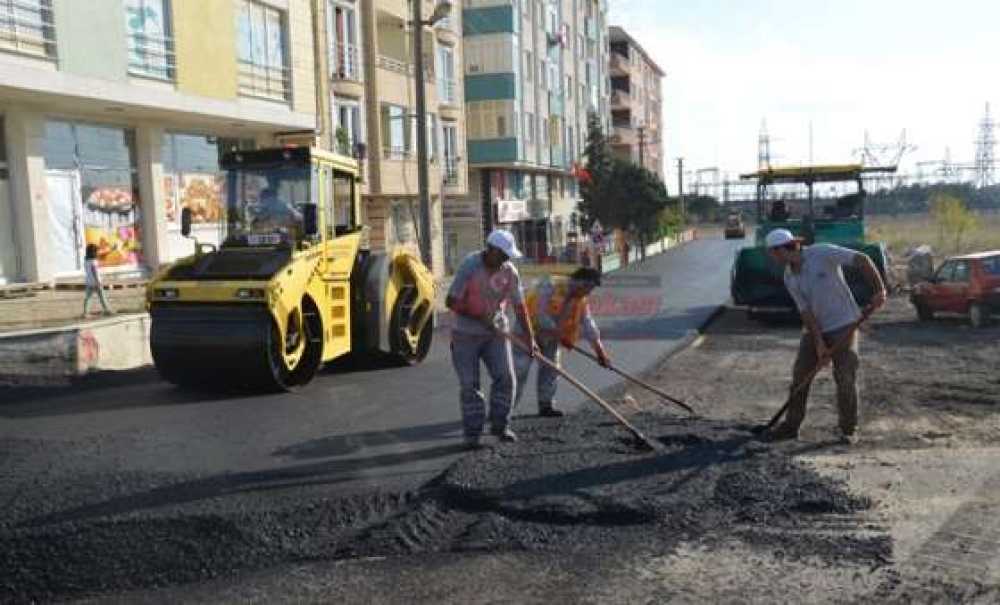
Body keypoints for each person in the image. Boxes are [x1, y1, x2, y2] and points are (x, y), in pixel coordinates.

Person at [764, 228, 887, 445]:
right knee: (800, 376)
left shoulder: (822, 253)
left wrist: (879, 290)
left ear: (783, 249)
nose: (773, 257)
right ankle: (791, 426)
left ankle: (848, 430)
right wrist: (819, 343)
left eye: (773, 253)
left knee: (845, 376)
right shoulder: (789, 276)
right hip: (816, 329)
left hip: (844, 324)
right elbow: (806, 312)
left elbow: (863, 260)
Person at [446, 229, 539, 448]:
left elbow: (520, 307)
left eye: (508, 256)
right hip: (465, 334)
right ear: (491, 250)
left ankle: (500, 425)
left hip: (496, 333)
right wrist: (479, 315)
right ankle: (472, 434)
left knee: (506, 378)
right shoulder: (470, 266)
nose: (506, 259)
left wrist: (530, 339)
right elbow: (451, 301)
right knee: (470, 385)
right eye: (503, 255)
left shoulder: (509, 272)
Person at [513, 266, 610, 417]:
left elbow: (588, 324)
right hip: (527, 331)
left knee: (551, 369)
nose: (588, 293)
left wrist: (600, 353)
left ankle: (546, 405)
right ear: (580, 283)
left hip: (551, 338)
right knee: (520, 369)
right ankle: (506, 408)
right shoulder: (549, 286)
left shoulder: (580, 300)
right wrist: (560, 335)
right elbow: (540, 315)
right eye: (589, 288)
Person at [82, 244, 114, 317]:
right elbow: (95, 272)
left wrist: (111, 249)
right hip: (96, 282)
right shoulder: (94, 262)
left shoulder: (86, 261)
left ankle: (85, 312)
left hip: (88, 281)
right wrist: (98, 282)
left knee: (88, 298)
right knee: (102, 296)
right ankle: (107, 310)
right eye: (96, 251)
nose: (97, 252)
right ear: (94, 252)